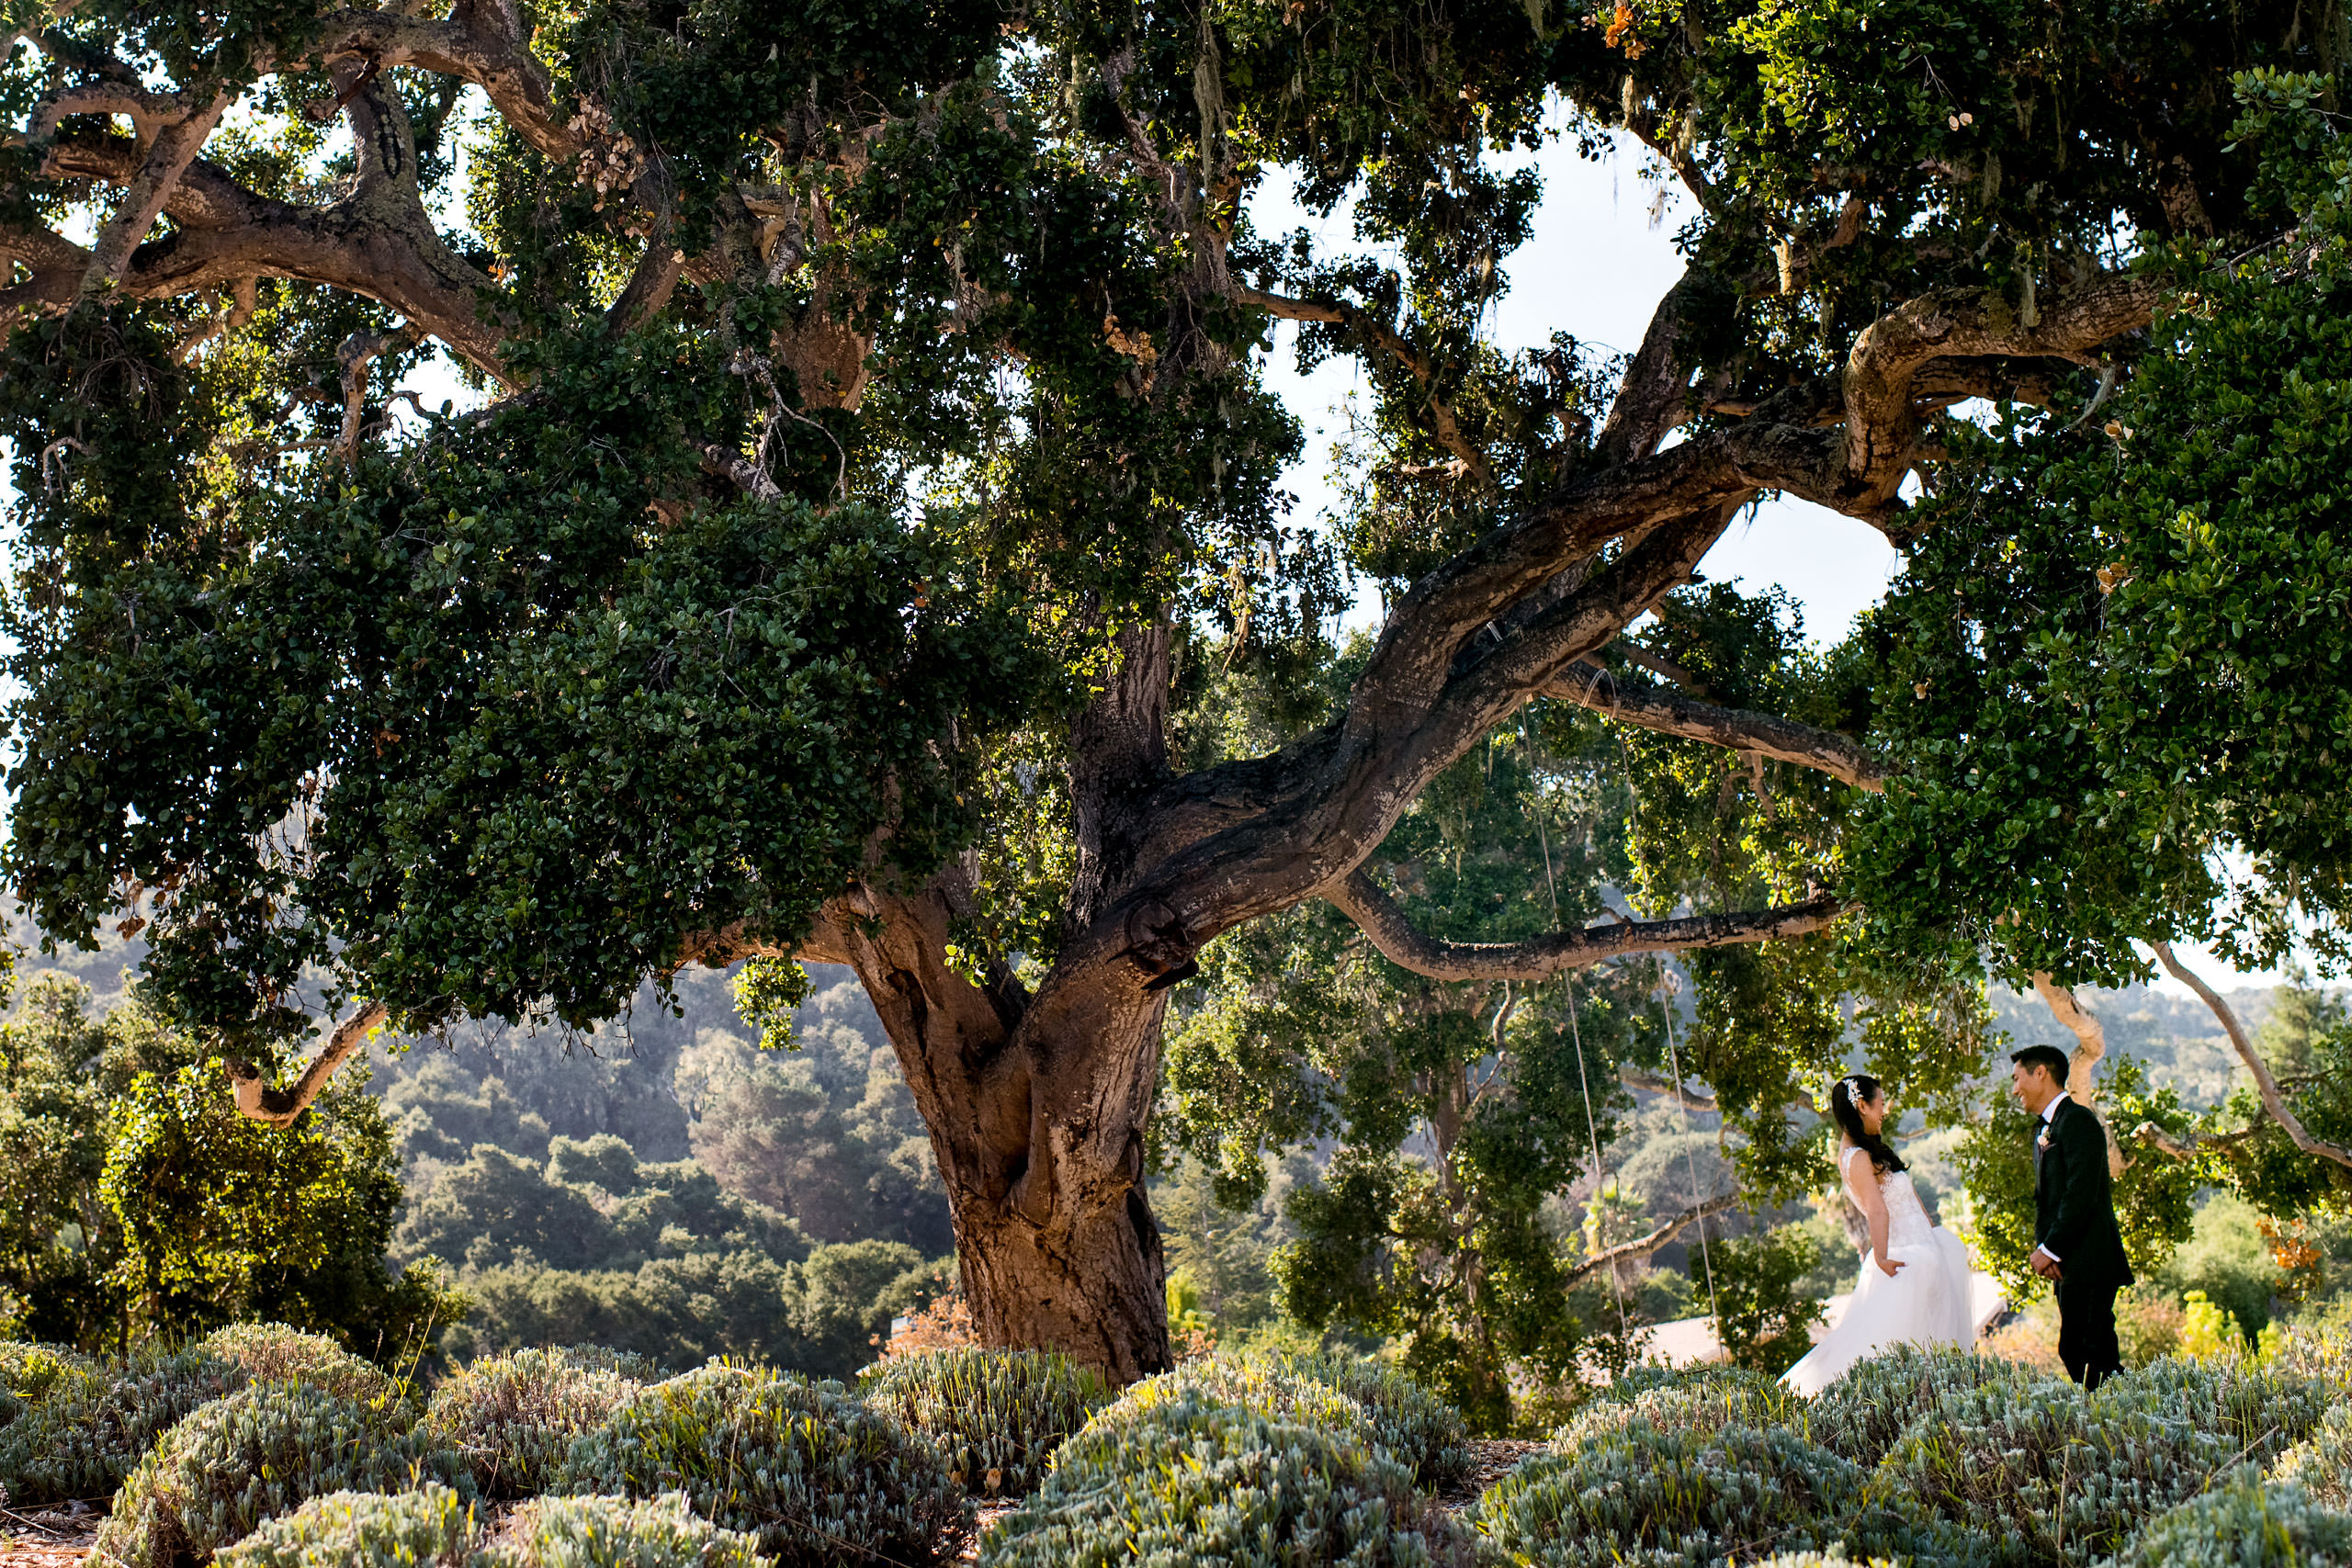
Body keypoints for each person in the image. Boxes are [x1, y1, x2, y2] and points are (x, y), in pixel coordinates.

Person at [1781, 1073, 1975, 1396]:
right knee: (1905, 1346)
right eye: (1880, 1104)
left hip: (1926, 1247)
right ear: (1862, 1106)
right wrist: (1882, 1256)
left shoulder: (1868, 1150)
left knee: (1934, 1343)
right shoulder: (1857, 1158)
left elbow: (1910, 1202)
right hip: (1905, 1258)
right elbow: (1877, 1209)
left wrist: (1933, 1236)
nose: (1884, 1111)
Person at [2009, 1043, 2133, 1389]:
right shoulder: (2042, 1130)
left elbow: (2080, 1195)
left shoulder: (2079, 1121)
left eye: (2018, 1078)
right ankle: (2115, 1417)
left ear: (2040, 1073)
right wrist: (2047, 1249)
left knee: (2091, 1351)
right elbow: (2045, 1201)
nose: (2015, 1088)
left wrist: (2048, 1251)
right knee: (2077, 1350)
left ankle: (2129, 1416)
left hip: (2091, 1260)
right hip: (2068, 1264)